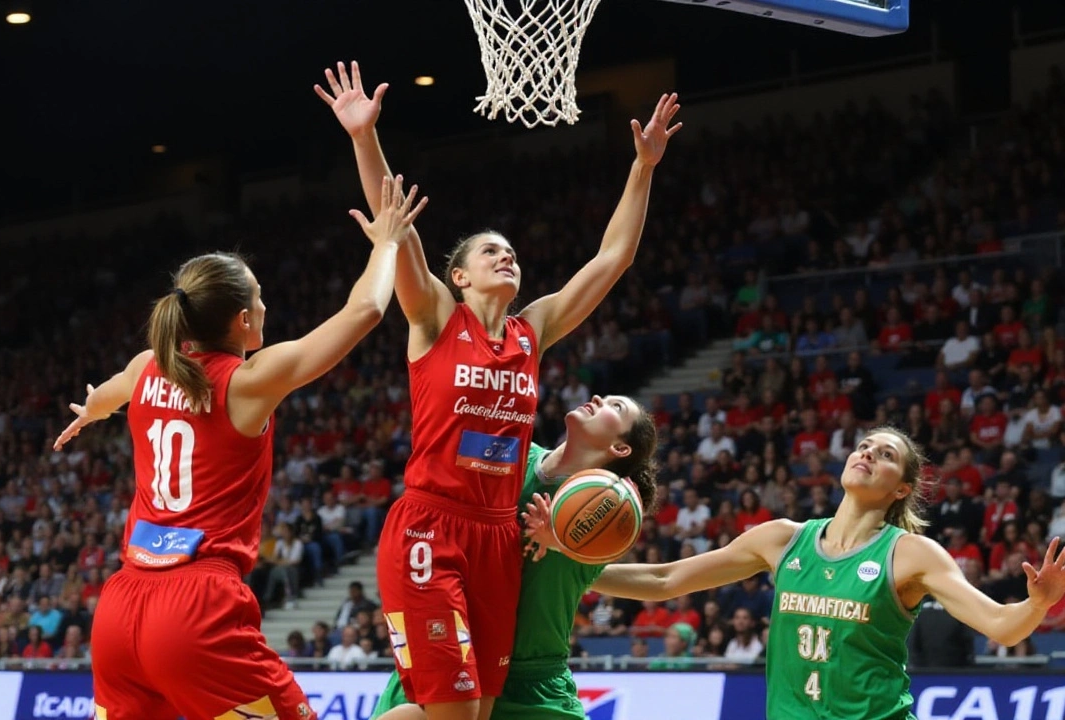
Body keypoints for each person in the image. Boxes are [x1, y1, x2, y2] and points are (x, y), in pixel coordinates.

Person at [316, 60, 680, 720]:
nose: (506, 256)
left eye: (511, 251)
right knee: (453, 714)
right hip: (432, 524)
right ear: (458, 276)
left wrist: (643, 168)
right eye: (489, 252)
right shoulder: (432, 317)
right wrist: (363, 138)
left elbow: (611, 260)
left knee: (479, 713)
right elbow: (396, 227)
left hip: (497, 538)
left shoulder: (531, 330)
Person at [52, 177, 427, 720]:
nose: (265, 304)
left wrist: (91, 411)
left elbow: (108, 395)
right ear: (244, 320)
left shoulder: (144, 369)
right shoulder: (245, 382)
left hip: (119, 610)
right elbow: (363, 312)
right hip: (195, 611)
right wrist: (388, 243)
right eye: (258, 296)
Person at [527, 427, 1065, 720]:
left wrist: (1037, 604)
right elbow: (667, 581)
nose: (867, 454)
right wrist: (574, 557)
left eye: (885, 455)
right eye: (863, 446)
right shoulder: (783, 538)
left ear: (902, 488)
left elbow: (1001, 627)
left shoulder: (913, 555)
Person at [372, 396, 659, 719]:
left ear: (620, 449)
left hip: (532, 680)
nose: (597, 399)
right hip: (457, 647)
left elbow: (660, 580)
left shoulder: (604, 513)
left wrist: (564, 545)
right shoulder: (508, 453)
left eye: (615, 407)